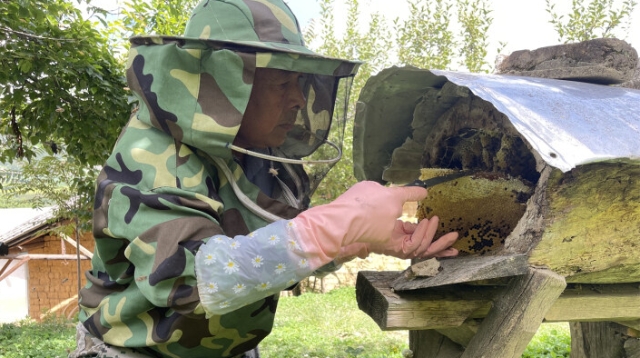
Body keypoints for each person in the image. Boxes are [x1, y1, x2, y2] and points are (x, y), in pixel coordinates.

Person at [70, 0, 459, 357]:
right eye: (281, 82)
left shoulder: (261, 152)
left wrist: (355, 239)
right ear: (223, 81)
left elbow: (274, 253)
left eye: (300, 83)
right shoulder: (151, 154)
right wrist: (333, 228)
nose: (298, 100)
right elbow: (191, 279)